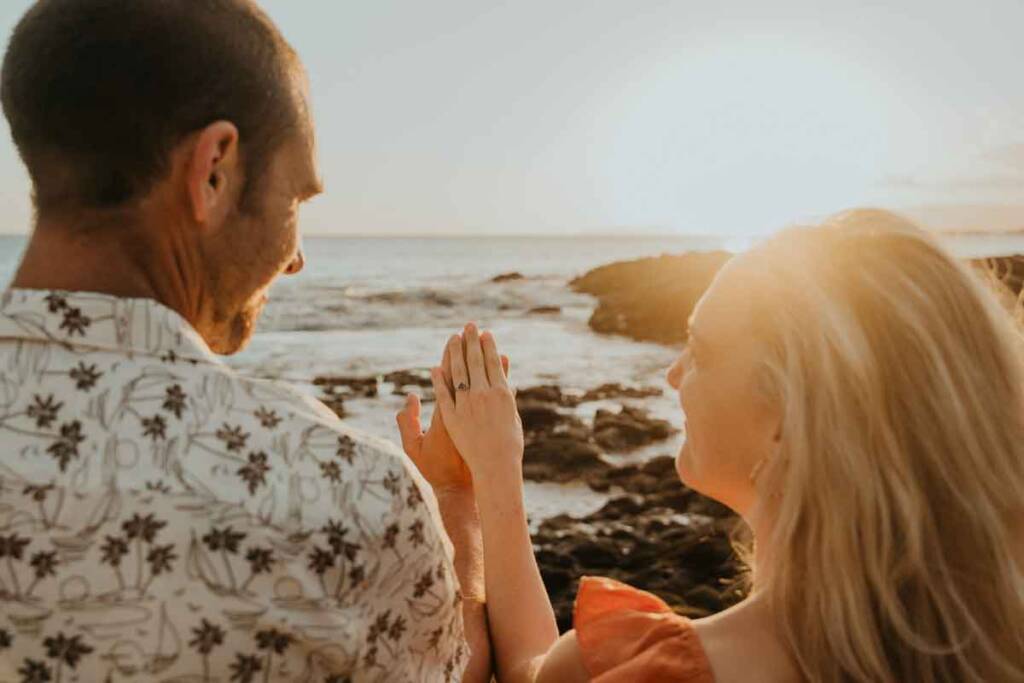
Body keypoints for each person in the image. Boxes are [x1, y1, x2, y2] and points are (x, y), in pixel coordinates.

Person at [0, 1, 489, 681]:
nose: (296, 261)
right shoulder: (345, 491)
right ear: (213, 170)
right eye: (296, 199)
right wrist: (457, 516)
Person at [399, 209, 1024, 681]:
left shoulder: (662, 672)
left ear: (786, 415)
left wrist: (468, 490)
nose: (673, 375)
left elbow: (533, 671)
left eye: (700, 350)